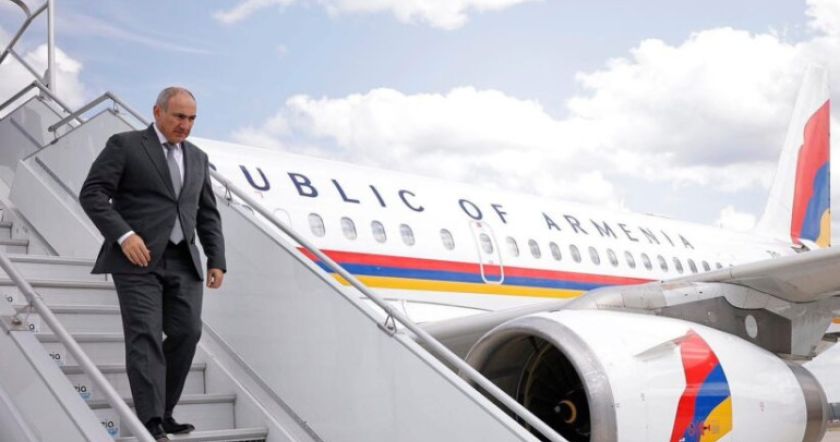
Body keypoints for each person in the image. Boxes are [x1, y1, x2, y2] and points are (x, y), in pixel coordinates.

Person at [79, 87, 226, 441]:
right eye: (179, 116)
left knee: (187, 332)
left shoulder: (198, 157)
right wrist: (124, 235)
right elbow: (92, 193)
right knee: (144, 334)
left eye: (191, 119)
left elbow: (207, 213)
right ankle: (151, 420)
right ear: (158, 112)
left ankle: (165, 410)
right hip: (137, 259)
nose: (185, 125)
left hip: (183, 259)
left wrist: (216, 259)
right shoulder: (126, 145)